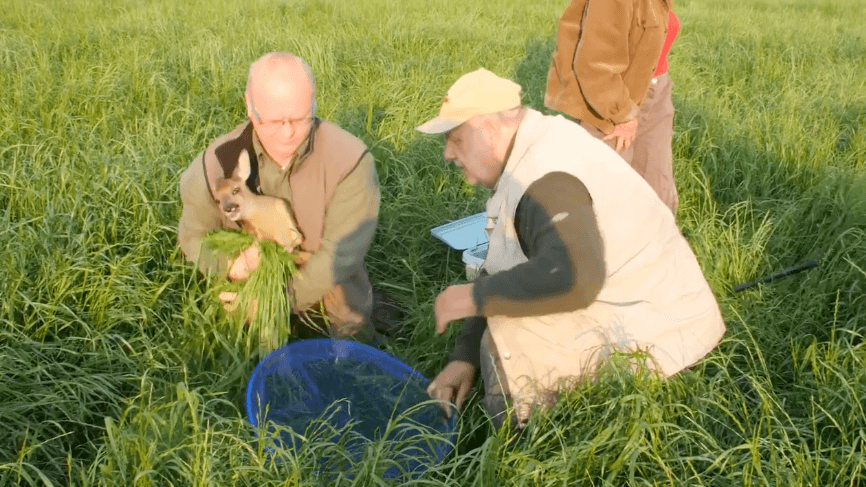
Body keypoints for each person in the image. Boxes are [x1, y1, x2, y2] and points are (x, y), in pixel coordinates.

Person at [417, 68, 725, 427]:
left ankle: (527, 457)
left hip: (662, 333)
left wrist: (473, 298)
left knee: (509, 339)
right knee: (500, 310)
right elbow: (504, 264)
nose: (447, 155)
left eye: (455, 140)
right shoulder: (529, 152)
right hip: (636, 303)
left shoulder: (546, 175)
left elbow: (577, 278)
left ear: (489, 130)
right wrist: (463, 357)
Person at [177, 52, 383, 342]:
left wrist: (275, 304)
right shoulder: (214, 166)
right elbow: (192, 238)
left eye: (301, 119)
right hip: (249, 289)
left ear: (314, 104)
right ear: (250, 107)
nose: (288, 133)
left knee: (346, 342)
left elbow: (340, 255)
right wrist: (231, 265)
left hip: (326, 289)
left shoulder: (349, 161)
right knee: (237, 354)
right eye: (274, 121)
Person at [544, 0, 680, 215]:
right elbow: (594, 66)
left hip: (656, 90)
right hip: (611, 102)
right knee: (605, 202)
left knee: (658, 194)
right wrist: (623, 115)